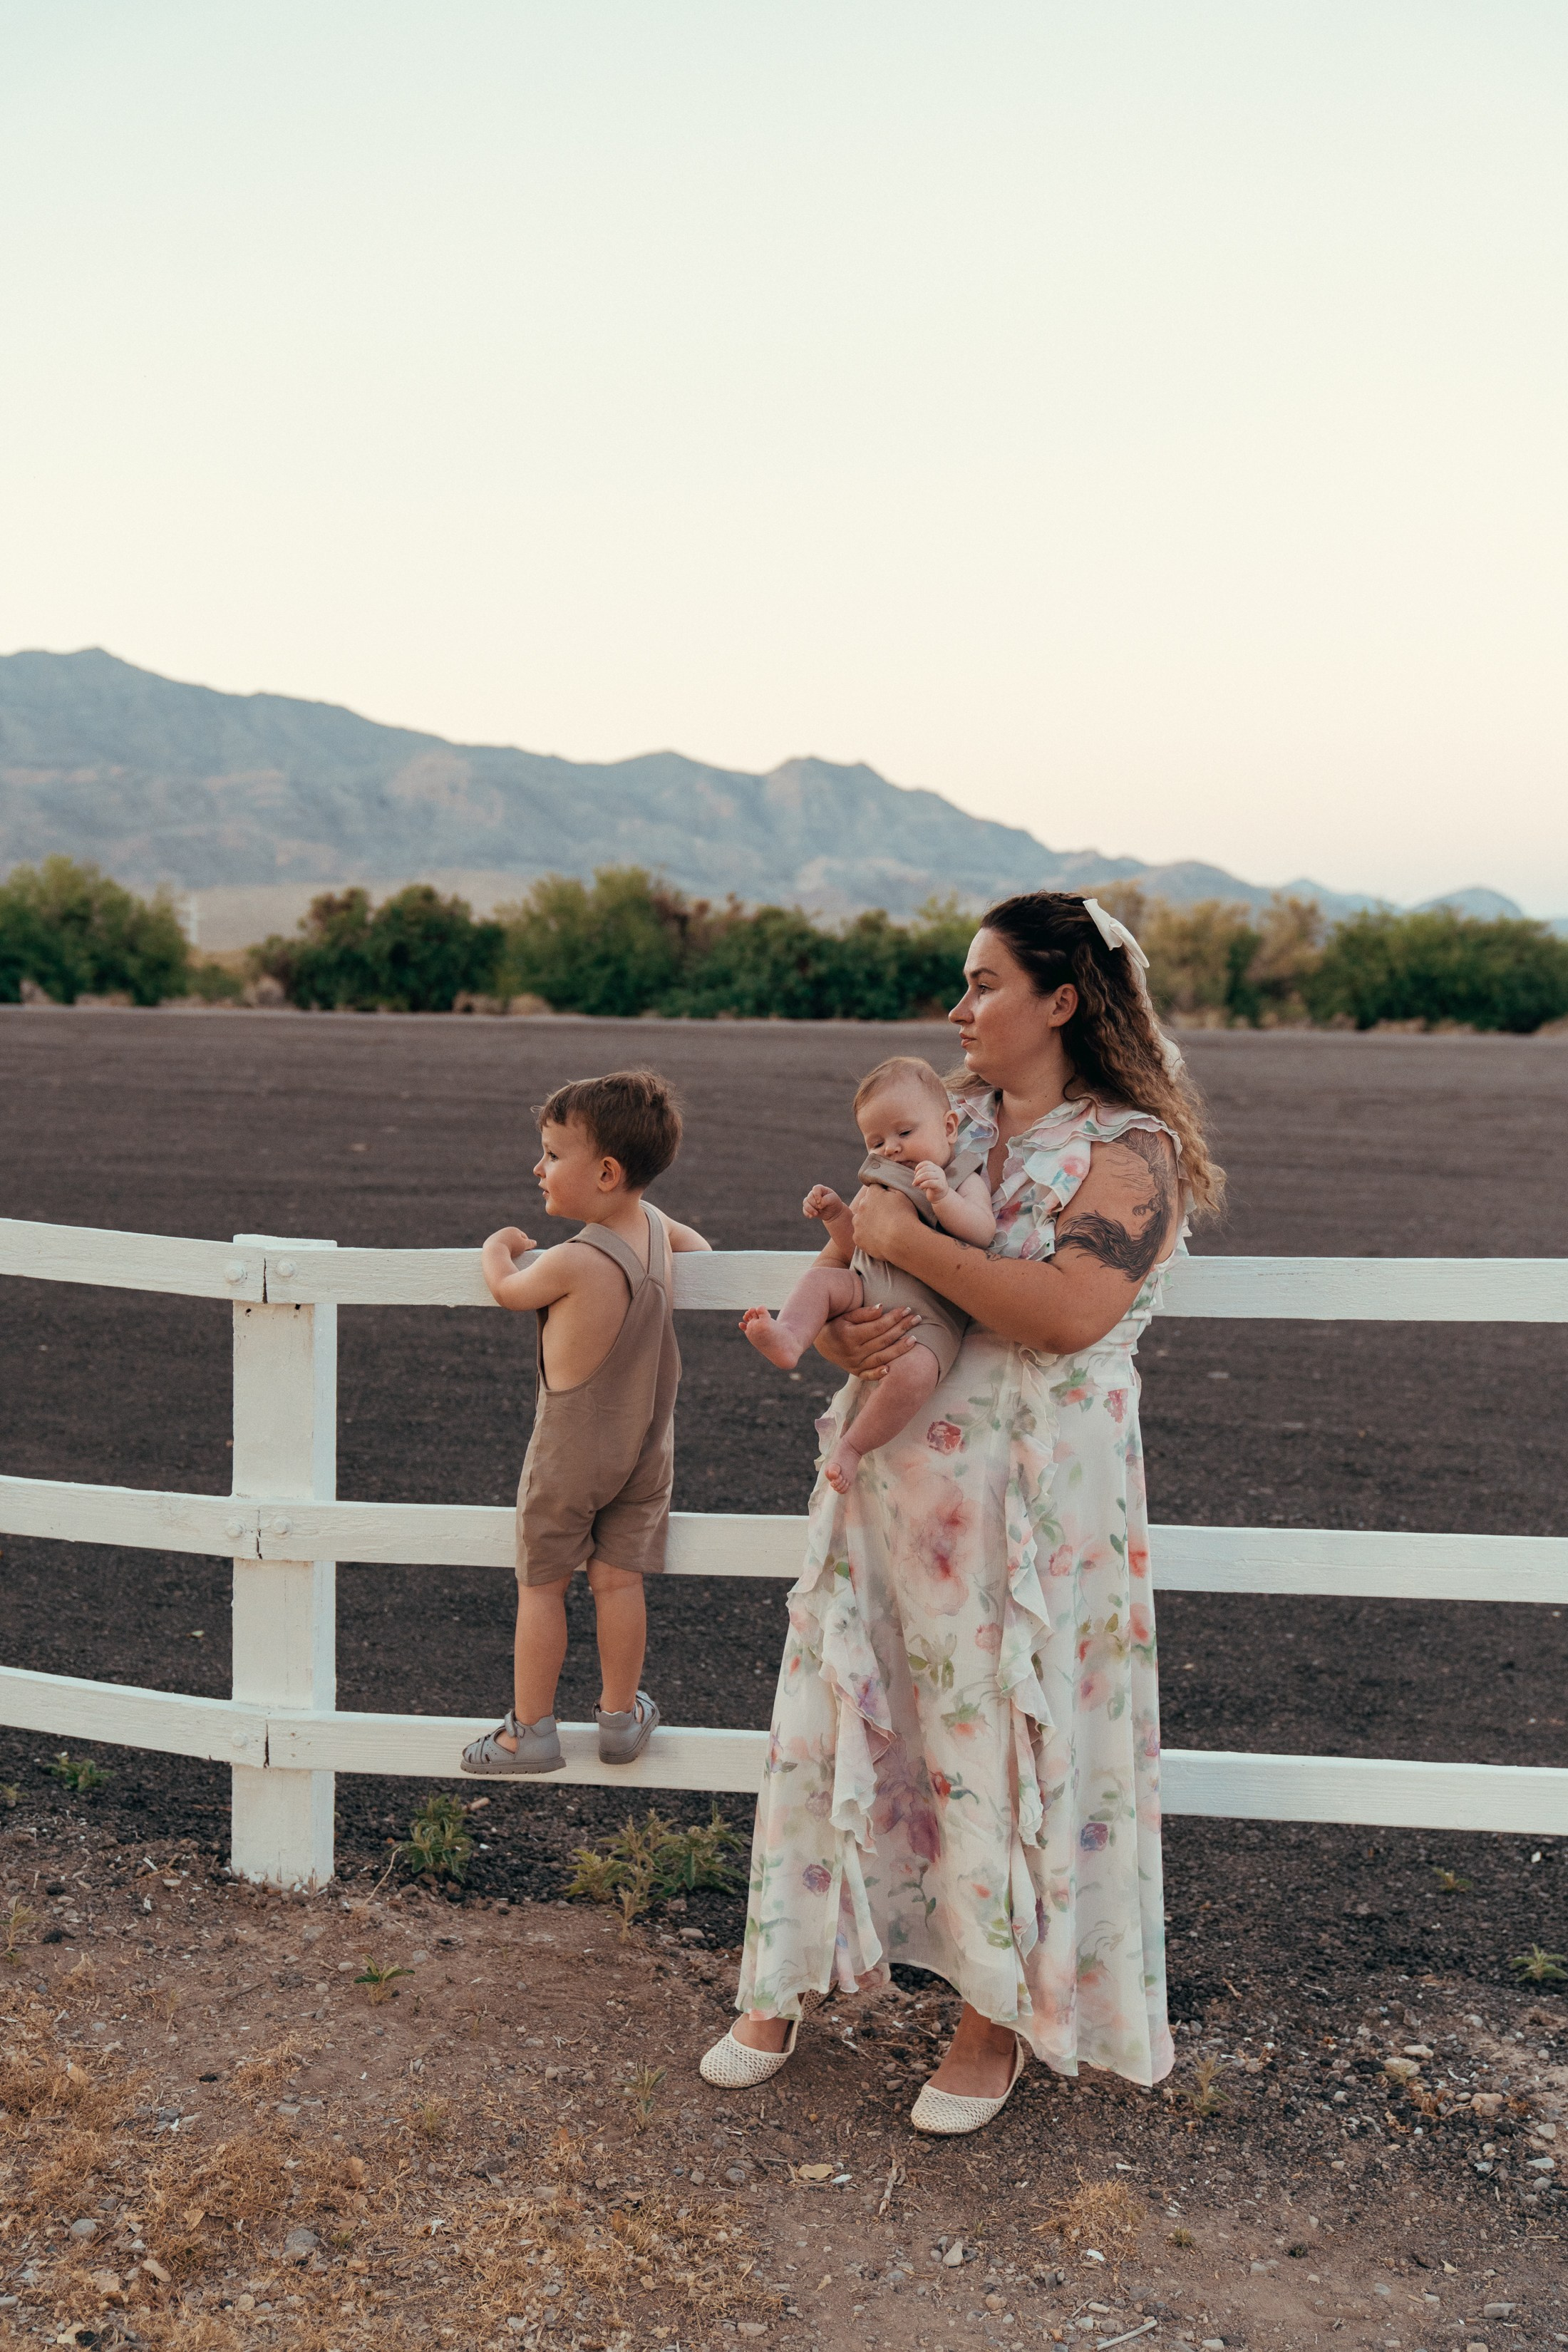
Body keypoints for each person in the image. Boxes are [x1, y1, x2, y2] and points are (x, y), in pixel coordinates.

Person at [701, 893, 1223, 2133]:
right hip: (900, 1489)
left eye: (985, 983)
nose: (958, 1009)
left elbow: (1066, 1313)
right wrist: (858, 1325)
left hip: (1037, 1512)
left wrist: (906, 1237)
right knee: (847, 1712)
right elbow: (876, 1277)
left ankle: (994, 2022)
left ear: (1062, 1000)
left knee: (1009, 1739)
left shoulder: (1132, 1151)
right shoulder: (941, 1124)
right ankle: (785, 1978)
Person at [460, 1069, 711, 1778]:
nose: (537, 1168)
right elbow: (703, 1255)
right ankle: (620, 1719)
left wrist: (496, 1248)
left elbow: (510, 1291)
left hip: (571, 1450)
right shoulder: (657, 1227)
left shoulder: (573, 1259)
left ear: (605, 1172)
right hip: (646, 1446)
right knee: (619, 1581)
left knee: (543, 1584)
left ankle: (531, 1733)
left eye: (551, 1154)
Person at [739, 1055, 996, 1492]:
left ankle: (854, 1446)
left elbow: (982, 1232)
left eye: (904, 1133)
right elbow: (853, 1244)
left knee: (916, 1372)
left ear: (949, 1127)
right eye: (876, 1142)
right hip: (866, 1285)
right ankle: (789, 1338)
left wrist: (943, 1198)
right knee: (821, 1282)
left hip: (928, 1319)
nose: (890, 1148)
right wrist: (836, 1214)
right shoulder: (879, 1180)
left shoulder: (961, 1176)